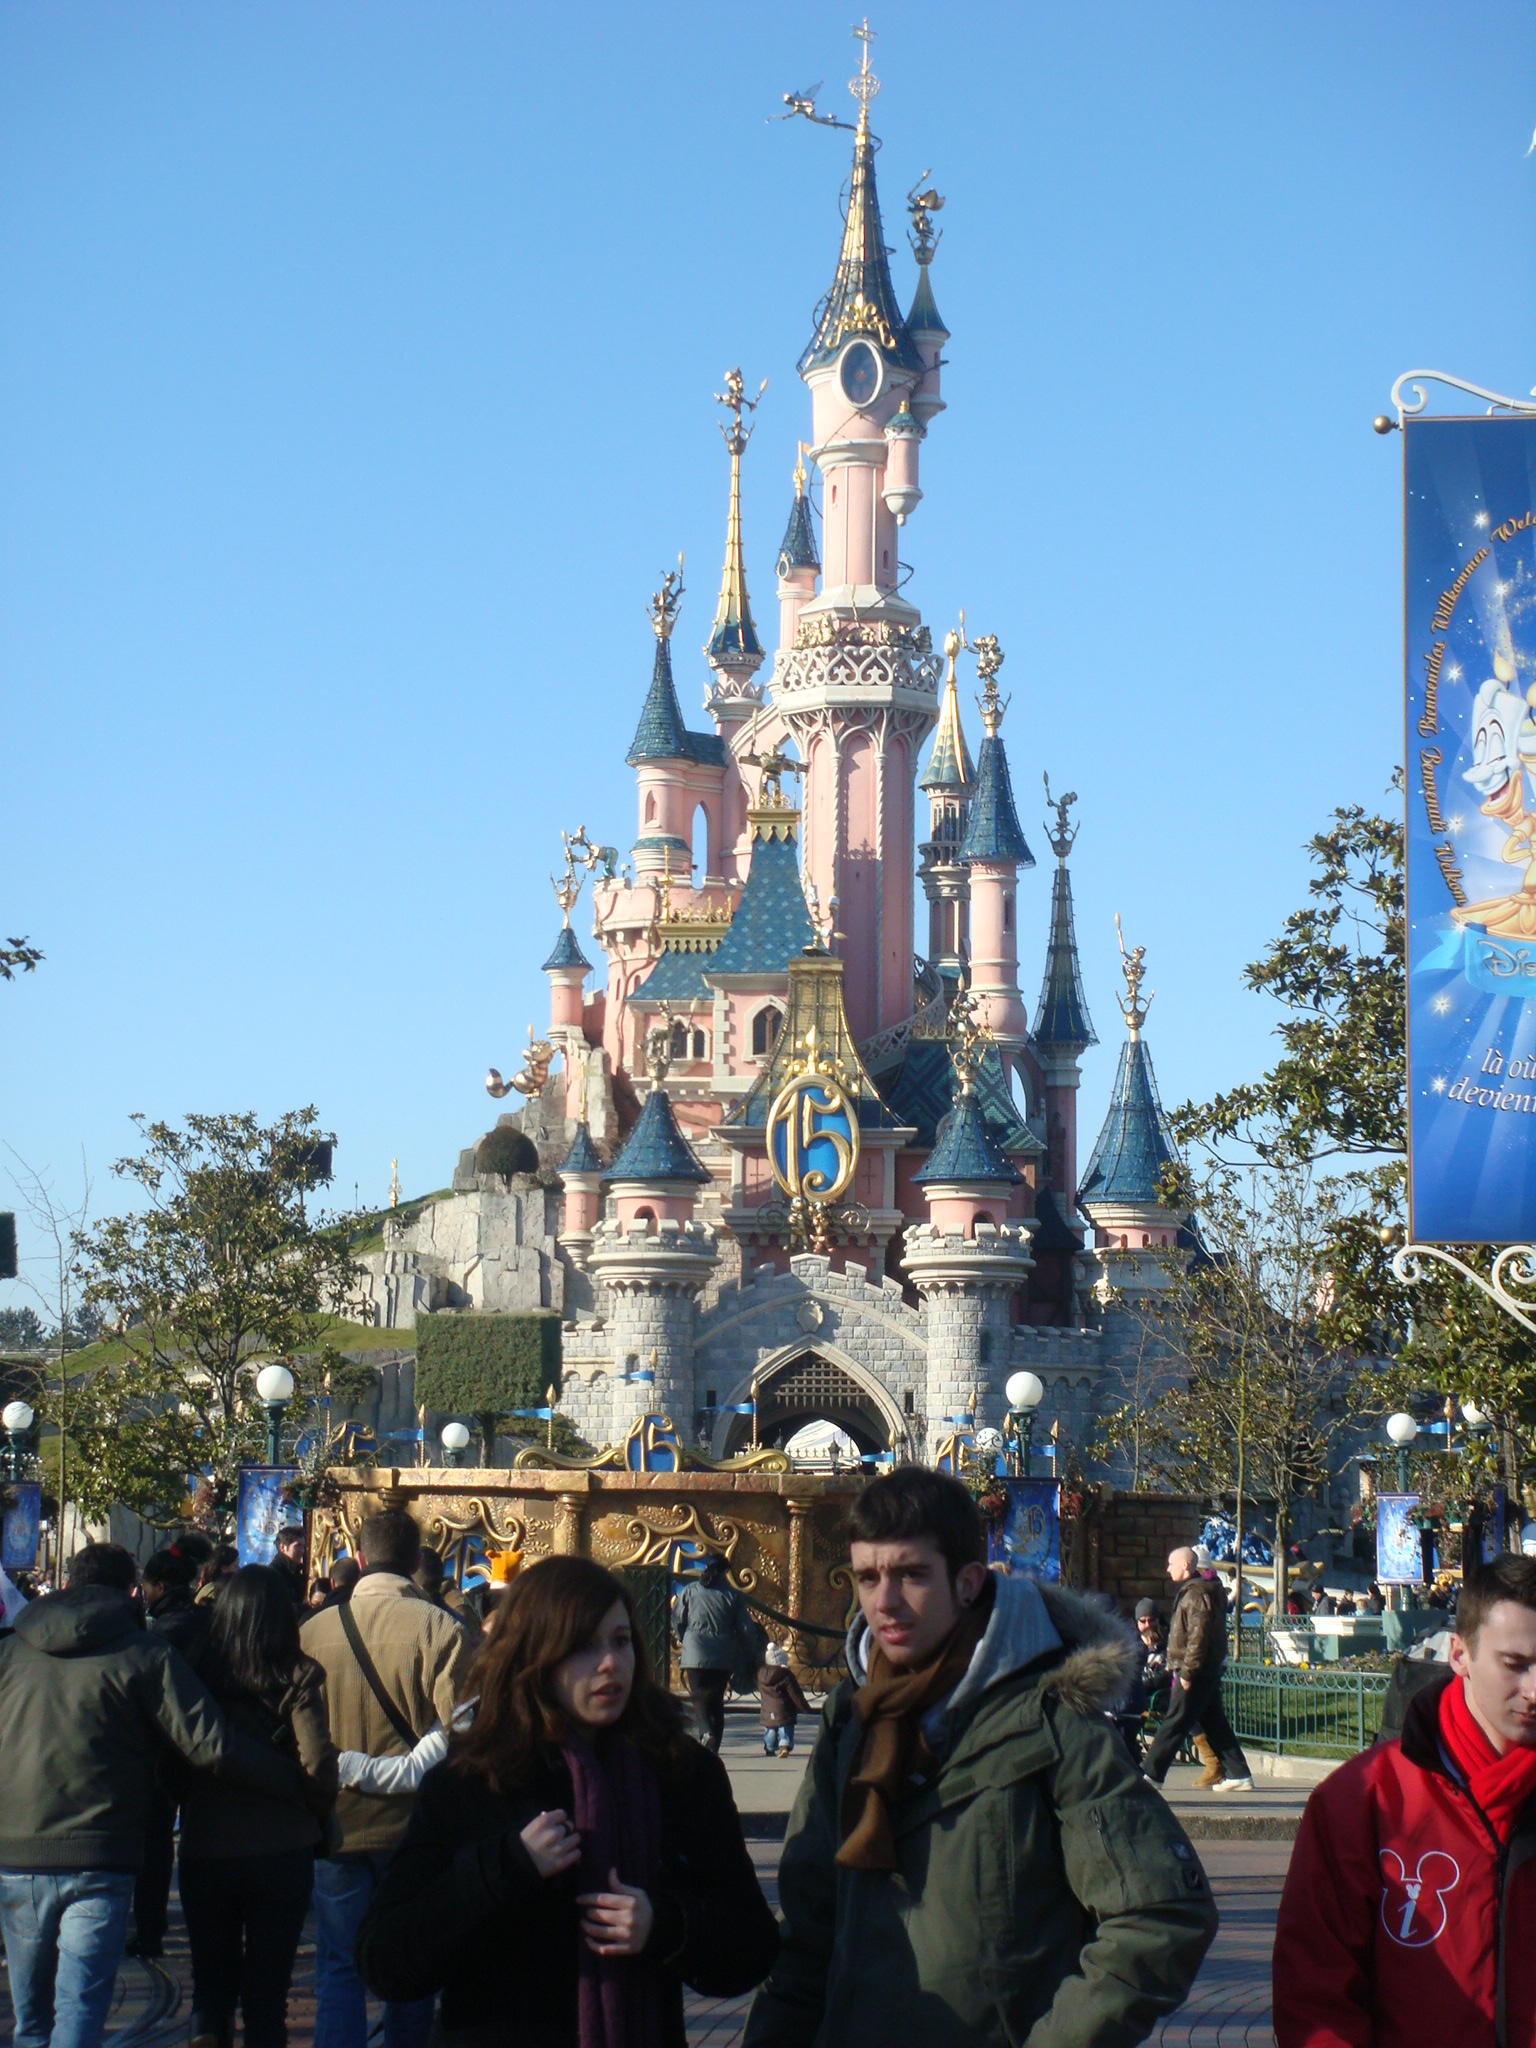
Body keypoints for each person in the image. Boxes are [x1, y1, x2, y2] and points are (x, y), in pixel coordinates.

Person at [742, 1470, 1217, 2048]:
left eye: (911, 1574)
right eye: (868, 1577)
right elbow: (807, 1933)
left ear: (967, 1583)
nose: (884, 1602)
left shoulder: (1049, 1716)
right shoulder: (852, 1717)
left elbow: (1162, 1913)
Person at [354, 1554, 780, 2048]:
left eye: (621, 1641)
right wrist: (504, 1867)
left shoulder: (681, 1774)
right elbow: (385, 1961)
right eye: (582, 1646)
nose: (610, 1663)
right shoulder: (474, 1780)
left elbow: (752, 1947)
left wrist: (664, 1924)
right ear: (534, 1655)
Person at [0, 1543, 302, 2048]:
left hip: (16, 1851)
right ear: (131, 1591)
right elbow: (211, 1744)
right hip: (101, 1850)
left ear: (68, 1584)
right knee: (79, 2007)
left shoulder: (11, 1653)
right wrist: (291, 1779)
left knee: (30, 2021)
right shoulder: (144, 1654)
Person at [1274, 1554, 1536, 2045]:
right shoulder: (1362, 1801)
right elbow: (1316, 1993)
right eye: (1515, 1665)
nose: (1534, 1690)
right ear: (1459, 1655)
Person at [300, 1508, 475, 2048]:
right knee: (412, 1961)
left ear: (358, 1559)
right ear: (416, 1559)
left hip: (338, 1823)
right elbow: (466, 1729)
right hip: (414, 1828)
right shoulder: (442, 1629)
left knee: (338, 1965)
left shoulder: (311, 1632)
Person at [178, 1566, 339, 2048]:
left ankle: (207, 2030)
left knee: (210, 1981)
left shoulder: (197, 1671)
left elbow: (175, 1753)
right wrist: (314, 1804)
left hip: (207, 1844)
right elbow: (317, 1762)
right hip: (280, 1847)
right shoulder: (296, 1674)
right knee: (268, 1993)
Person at [129, 1546, 213, 1959]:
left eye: (146, 1585)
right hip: (204, 1741)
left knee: (155, 1843)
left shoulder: (161, 1634)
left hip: (164, 1750)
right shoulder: (206, 1621)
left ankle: (150, 1928)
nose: (142, 1592)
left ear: (160, 1586)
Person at [1142, 1546, 1254, 1793]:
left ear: (1185, 1565)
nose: (1167, 1569)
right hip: (1205, 1669)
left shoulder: (1195, 1594)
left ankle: (1151, 1774)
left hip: (1196, 1670)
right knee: (1214, 1721)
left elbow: (1198, 1637)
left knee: (1175, 1720)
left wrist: (1188, 1672)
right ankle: (1239, 1773)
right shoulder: (1196, 1591)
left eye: (1171, 1564)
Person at [672, 1555, 752, 1753]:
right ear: (725, 1572)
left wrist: (684, 1638)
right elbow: (746, 1629)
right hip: (722, 1655)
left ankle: (706, 1732)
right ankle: (714, 1749)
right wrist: (746, 1649)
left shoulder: (691, 1590)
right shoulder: (732, 1596)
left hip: (694, 1652)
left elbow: (677, 1618)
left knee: (698, 1697)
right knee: (716, 1702)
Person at [758, 1643, 811, 1757]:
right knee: (785, 1727)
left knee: (770, 1728)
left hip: (767, 1709)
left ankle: (770, 1747)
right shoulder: (786, 1675)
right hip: (784, 1708)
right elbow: (795, 1693)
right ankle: (785, 1745)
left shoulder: (760, 1674)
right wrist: (804, 1707)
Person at [270, 1526, 309, 1613]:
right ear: (283, 1547)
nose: (302, 1551)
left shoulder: (295, 1572)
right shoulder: (273, 1575)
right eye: (297, 1546)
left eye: (303, 1546)